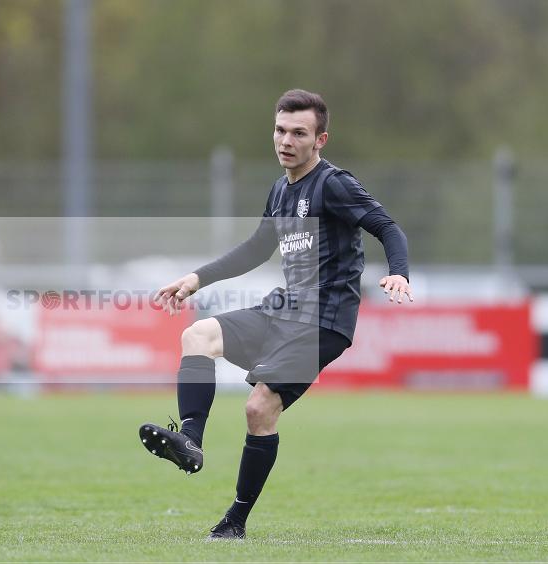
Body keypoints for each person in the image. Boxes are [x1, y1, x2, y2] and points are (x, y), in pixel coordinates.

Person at [139, 89, 413, 540]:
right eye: (280, 130)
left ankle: (234, 522)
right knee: (199, 335)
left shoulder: (334, 184)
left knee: (258, 407)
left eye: (298, 133)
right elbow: (257, 248)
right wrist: (197, 279)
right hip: (285, 309)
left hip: (324, 320)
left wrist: (399, 273)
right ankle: (189, 440)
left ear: (320, 139)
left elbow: (387, 227)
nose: (286, 140)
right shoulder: (280, 191)